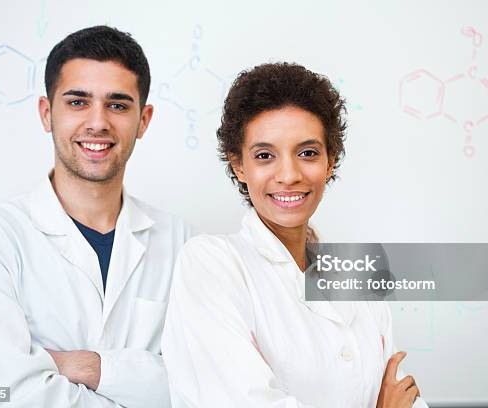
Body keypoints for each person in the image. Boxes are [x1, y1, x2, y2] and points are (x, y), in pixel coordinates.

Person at [0, 26, 190, 407]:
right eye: (78, 102)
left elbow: (202, 385)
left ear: (144, 121)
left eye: (118, 105)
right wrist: (140, 377)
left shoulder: (183, 243)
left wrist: (92, 368)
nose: (98, 123)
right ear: (47, 113)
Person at [162, 62, 428, 407]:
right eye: (264, 155)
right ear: (239, 165)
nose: (288, 175)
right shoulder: (211, 264)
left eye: (307, 153)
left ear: (330, 161)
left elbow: (407, 398)